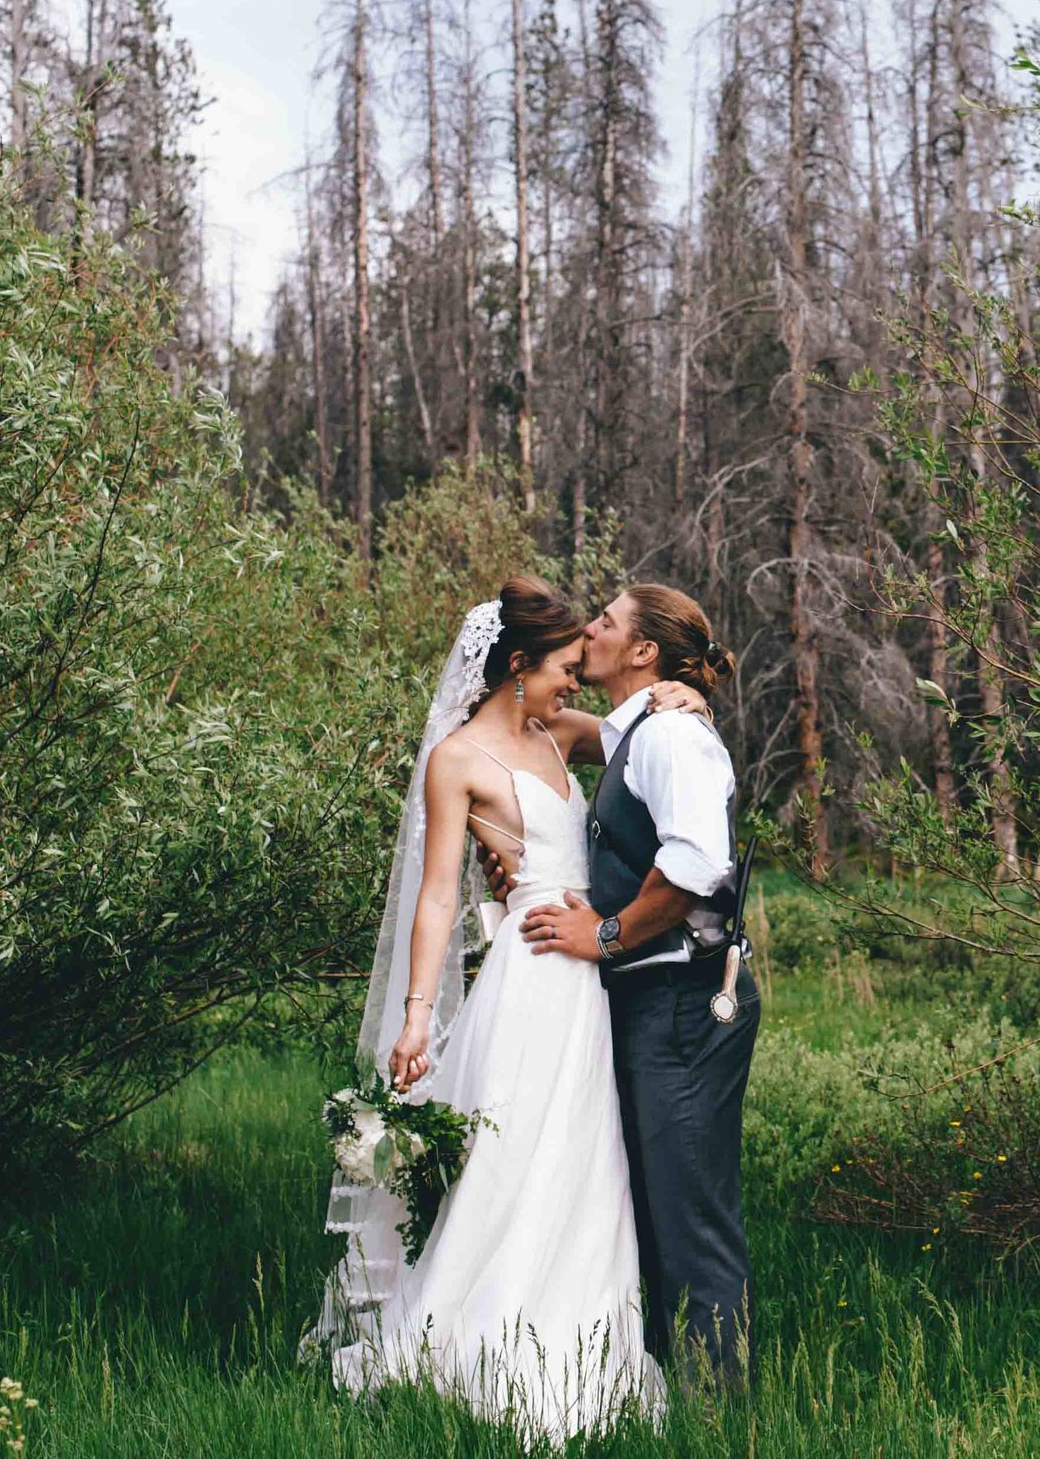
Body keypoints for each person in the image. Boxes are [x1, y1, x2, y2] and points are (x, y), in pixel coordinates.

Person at [307, 578, 712, 1441]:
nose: (575, 681)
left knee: (584, 1160)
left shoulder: (562, 732)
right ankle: (476, 1347)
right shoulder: (455, 761)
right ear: (517, 667)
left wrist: (685, 689)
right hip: (529, 981)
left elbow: (656, 743)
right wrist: (417, 1018)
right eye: (564, 667)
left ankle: (583, 1347)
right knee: (512, 1162)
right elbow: (435, 897)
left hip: (589, 977)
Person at [510, 584, 756, 1386]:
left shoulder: (672, 737)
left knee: (689, 1214)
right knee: (655, 1207)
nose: (592, 629)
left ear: (645, 651)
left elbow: (692, 866)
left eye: (607, 622)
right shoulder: (639, 730)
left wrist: (604, 933)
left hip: (687, 999)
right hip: (654, 996)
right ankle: (669, 1382)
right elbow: (542, 727)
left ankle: (718, 1409)